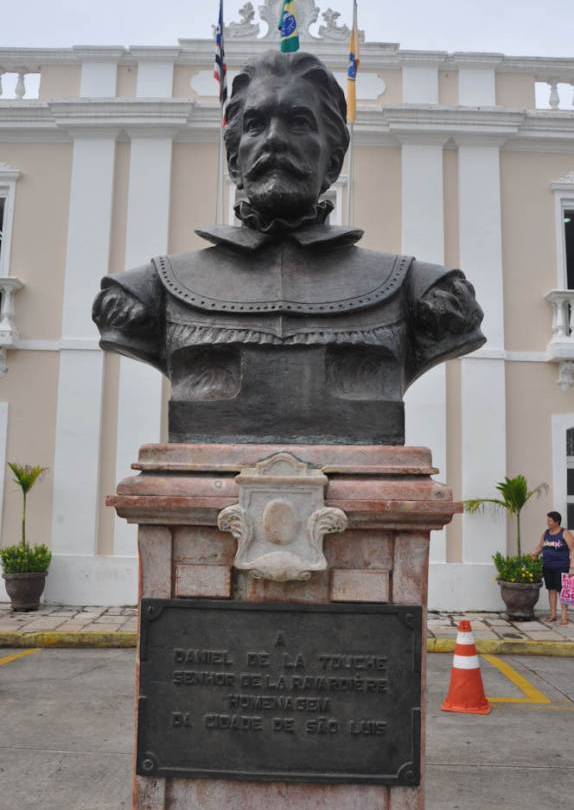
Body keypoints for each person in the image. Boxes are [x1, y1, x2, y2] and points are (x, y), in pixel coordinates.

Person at [93, 51, 485, 445]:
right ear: (234, 161)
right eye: (255, 125)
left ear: (333, 161)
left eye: (298, 123)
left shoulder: (425, 294)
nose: (275, 139)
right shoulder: (143, 296)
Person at [531, 511, 574, 624]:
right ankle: (553, 614)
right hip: (547, 566)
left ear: (556, 521)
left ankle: (564, 617)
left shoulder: (565, 533)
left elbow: (573, 550)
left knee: (562, 591)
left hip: (562, 566)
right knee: (551, 590)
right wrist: (534, 553)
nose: (547, 522)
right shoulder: (546, 533)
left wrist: (572, 567)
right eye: (547, 520)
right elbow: (540, 546)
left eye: (550, 520)